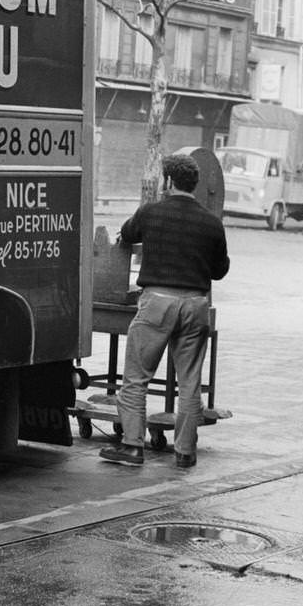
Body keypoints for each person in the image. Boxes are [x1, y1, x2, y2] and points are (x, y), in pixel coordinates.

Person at [100, 152, 230, 469]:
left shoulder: (151, 213)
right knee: (189, 383)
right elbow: (220, 270)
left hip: (157, 302)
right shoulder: (212, 223)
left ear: (168, 181)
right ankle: (185, 452)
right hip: (196, 306)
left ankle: (132, 447)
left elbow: (127, 234)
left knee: (135, 378)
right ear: (194, 185)